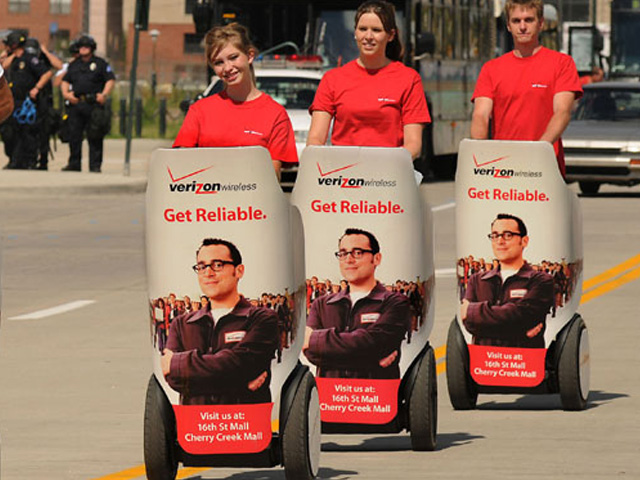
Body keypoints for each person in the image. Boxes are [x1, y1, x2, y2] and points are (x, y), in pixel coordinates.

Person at [470, 0, 582, 177]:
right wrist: (480, 155)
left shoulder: (562, 64)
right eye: (516, 21)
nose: (522, 27)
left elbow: (562, 112)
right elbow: (480, 115)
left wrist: (538, 150)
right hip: (504, 169)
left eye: (529, 20)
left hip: (545, 166)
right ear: (508, 26)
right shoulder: (491, 69)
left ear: (541, 23)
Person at [307, 0, 430, 161]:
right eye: (363, 29)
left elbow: (413, 144)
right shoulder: (332, 79)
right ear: (355, 33)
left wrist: (387, 165)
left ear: (391, 35)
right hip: (343, 171)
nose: (368, 36)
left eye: (376, 30)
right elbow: (315, 138)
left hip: (389, 170)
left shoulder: (409, 79)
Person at [173, 23, 298, 179]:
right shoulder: (199, 111)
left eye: (233, 57)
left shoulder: (276, 114)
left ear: (250, 56)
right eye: (219, 62)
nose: (227, 68)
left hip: (253, 194)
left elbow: (272, 177)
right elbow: (182, 167)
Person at [162, 238, 278, 405]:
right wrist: (241, 384)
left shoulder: (263, 318)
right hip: (195, 421)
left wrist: (179, 365)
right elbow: (173, 378)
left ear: (239, 271)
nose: (208, 273)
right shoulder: (181, 325)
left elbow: (243, 364)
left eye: (217, 265)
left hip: (246, 420)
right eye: (201, 266)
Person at [303, 228, 411, 379]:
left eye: (357, 253)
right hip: (331, 393)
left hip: (375, 393)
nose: (348, 259)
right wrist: (371, 359)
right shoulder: (321, 305)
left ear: (376, 258)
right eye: (343, 253)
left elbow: (375, 343)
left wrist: (316, 341)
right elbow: (310, 352)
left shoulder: (396, 303)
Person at [460, 213, 554, 348]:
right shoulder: (477, 280)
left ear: (524, 241)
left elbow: (524, 316)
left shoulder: (542, 280)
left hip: (524, 360)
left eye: (508, 235)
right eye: (495, 235)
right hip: (484, 360)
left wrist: (472, 312)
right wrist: (521, 333)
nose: (500, 241)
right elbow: (469, 324)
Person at [61, 35, 115, 172]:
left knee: (95, 135)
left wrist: (104, 94)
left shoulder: (100, 63)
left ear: (92, 48)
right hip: (77, 103)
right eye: (81, 47)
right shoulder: (74, 64)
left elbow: (110, 80)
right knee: (74, 135)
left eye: (86, 47)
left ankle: (95, 165)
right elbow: (65, 81)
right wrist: (66, 94)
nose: (83, 49)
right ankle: (74, 163)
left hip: (94, 104)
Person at [1, 32, 53, 170]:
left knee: (28, 132)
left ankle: (30, 160)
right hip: (13, 101)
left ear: (14, 44)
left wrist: (36, 88)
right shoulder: (12, 60)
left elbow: (47, 73)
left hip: (27, 102)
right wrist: (9, 55)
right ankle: (14, 160)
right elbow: (3, 67)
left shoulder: (30, 59)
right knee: (10, 132)